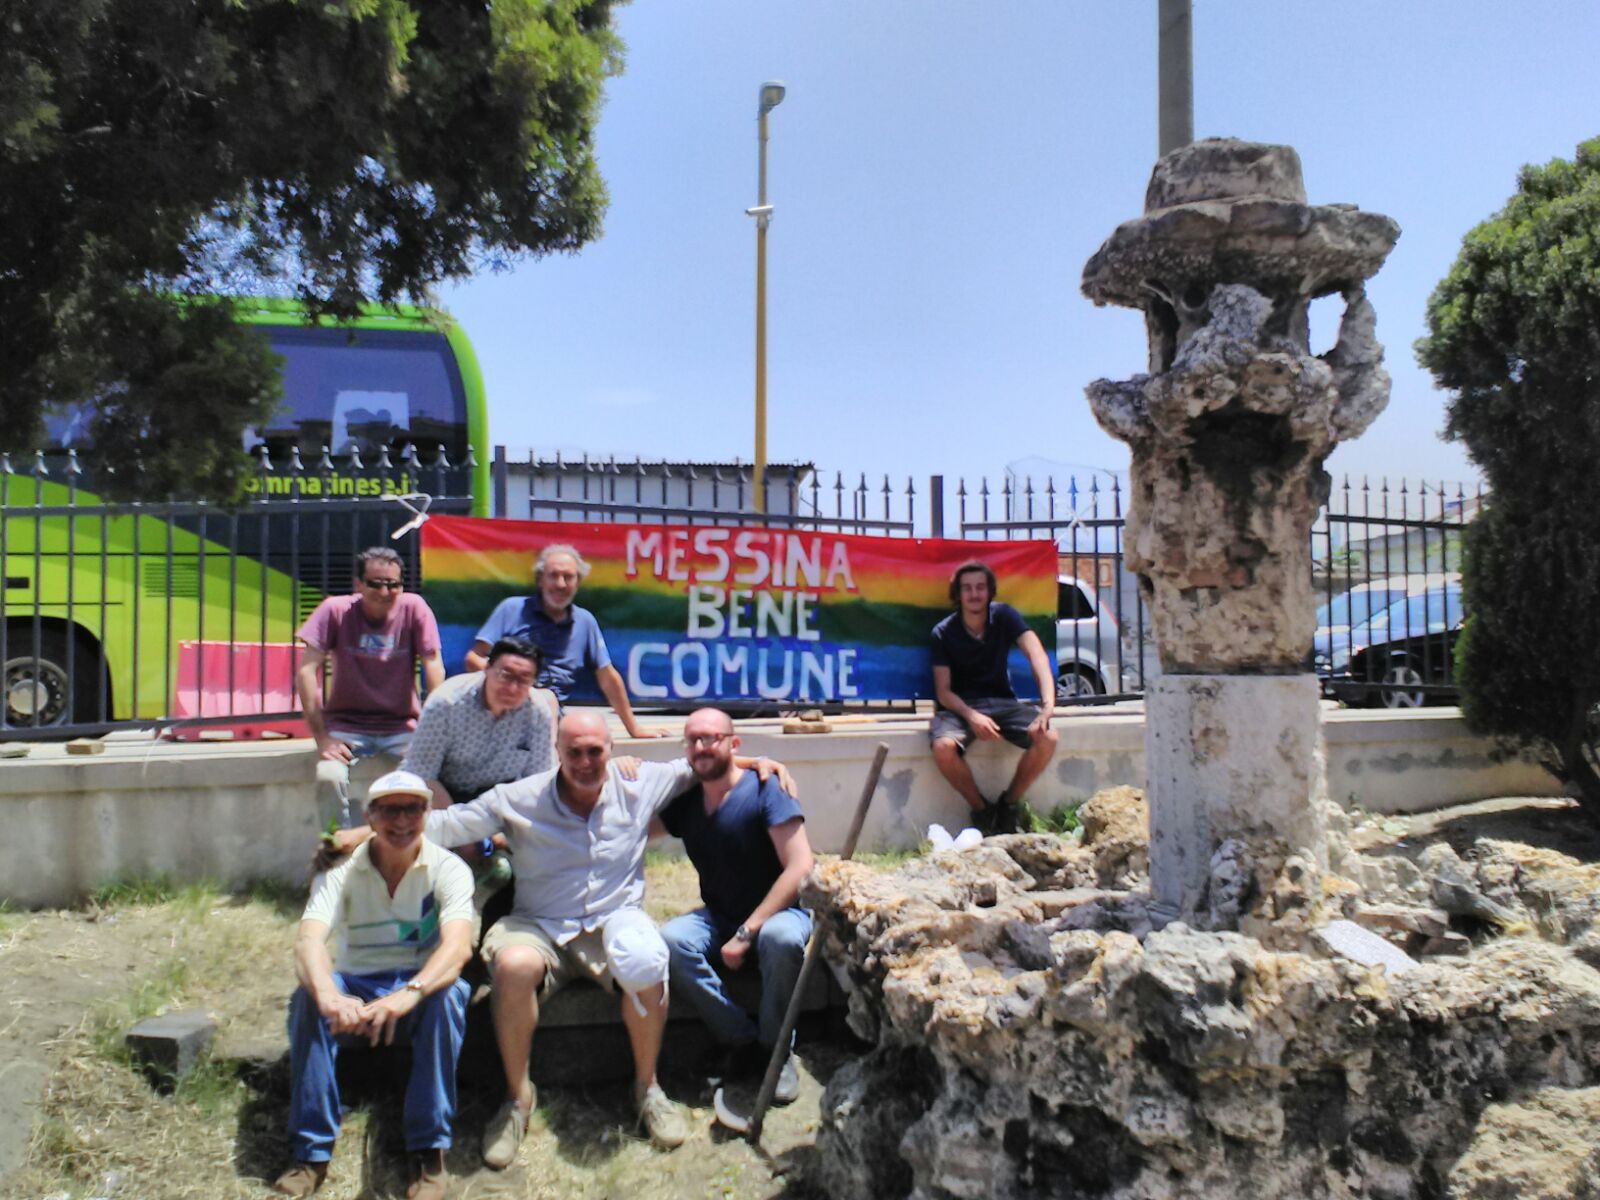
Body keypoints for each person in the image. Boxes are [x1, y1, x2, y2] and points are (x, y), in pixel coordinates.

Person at [323, 712, 794, 1166]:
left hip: (613, 920)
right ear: (558, 753)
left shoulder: (640, 782)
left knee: (648, 961)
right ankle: (516, 1099)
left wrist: (761, 762)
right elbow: (449, 824)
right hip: (539, 922)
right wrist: (362, 833)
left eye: (595, 751)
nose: (586, 762)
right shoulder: (519, 797)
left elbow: (704, 761)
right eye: (574, 753)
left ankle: (647, 1089)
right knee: (512, 966)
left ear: (611, 750)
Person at [273, 771, 473, 1200]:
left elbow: (457, 948)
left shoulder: (448, 868)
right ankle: (311, 1153)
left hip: (416, 983)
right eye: (389, 810)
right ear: (370, 815)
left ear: (427, 812)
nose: (401, 821)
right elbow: (308, 940)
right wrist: (328, 994)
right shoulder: (341, 869)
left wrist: (411, 993)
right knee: (304, 1000)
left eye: (412, 809)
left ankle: (428, 1150)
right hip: (356, 979)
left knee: (449, 996)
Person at [658, 708, 815, 1105]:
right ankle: (741, 1040)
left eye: (710, 738)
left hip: (780, 914)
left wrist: (747, 932)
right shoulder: (687, 799)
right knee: (672, 941)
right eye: (692, 740)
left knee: (781, 940)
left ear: (733, 743)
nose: (700, 747)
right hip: (719, 915)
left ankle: (776, 1051)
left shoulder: (766, 789)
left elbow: (801, 867)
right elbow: (635, 823)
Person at [296, 546, 445, 826]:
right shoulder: (335, 610)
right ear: (358, 585)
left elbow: (434, 666)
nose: (385, 592)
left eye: (393, 584)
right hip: (346, 726)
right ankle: (336, 849)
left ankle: (422, 849)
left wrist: (428, 729)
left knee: (433, 778)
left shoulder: (414, 608)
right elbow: (306, 670)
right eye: (376, 583)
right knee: (329, 777)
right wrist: (322, 737)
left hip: (403, 727)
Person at [464, 543, 666, 738]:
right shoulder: (512, 609)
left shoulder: (585, 622)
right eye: (553, 576)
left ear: (577, 582)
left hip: (552, 714)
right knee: (546, 700)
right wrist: (512, 684)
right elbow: (473, 658)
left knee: (594, 736)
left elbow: (607, 678)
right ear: (540, 580)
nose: (560, 584)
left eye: (568, 577)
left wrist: (634, 729)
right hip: (504, 704)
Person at [929, 560, 1059, 834]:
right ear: (958, 594)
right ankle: (982, 811)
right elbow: (944, 691)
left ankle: (1008, 805)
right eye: (967, 589)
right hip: (958, 709)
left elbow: (1036, 655)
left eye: (980, 587)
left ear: (989, 591)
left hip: (1003, 703)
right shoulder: (943, 632)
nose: (974, 594)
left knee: (1048, 737)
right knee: (943, 748)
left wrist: (1047, 708)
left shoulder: (1005, 616)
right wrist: (972, 716)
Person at [401, 636, 559, 808]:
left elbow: (539, 779)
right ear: (487, 668)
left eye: (523, 679)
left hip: (501, 800)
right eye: (506, 676)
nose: (513, 688)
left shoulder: (537, 711)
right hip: (441, 793)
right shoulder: (445, 703)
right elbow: (422, 774)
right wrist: (460, 824)